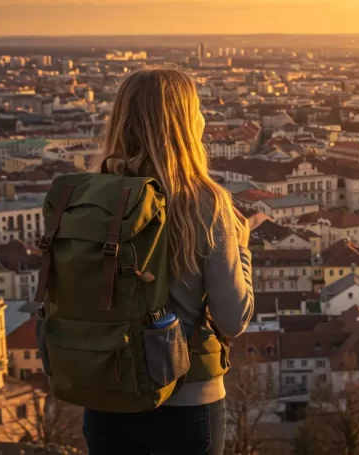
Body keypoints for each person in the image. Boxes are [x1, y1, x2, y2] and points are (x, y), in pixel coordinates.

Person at [82, 68, 254, 455]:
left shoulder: (89, 196)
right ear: (185, 123)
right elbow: (233, 319)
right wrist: (241, 250)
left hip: (107, 393)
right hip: (186, 400)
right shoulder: (204, 202)